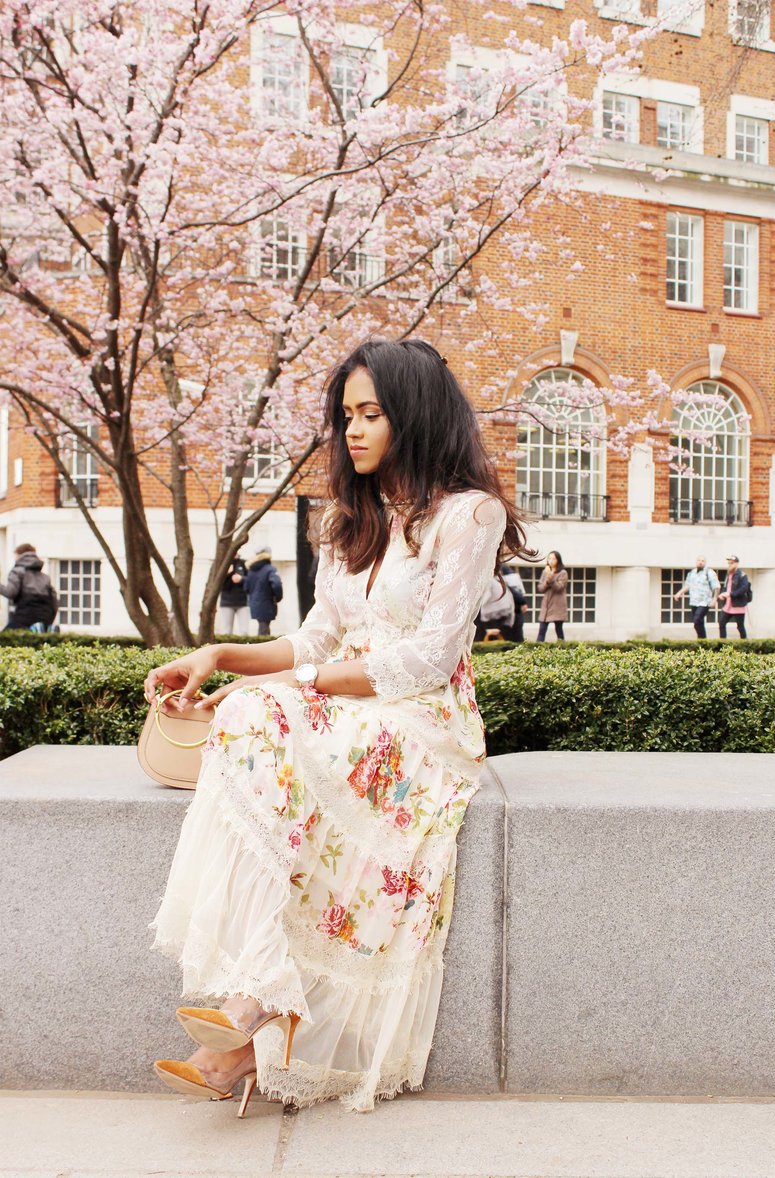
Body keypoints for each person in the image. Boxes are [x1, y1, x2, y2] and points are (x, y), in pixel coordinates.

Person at [144, 337, 526, 1113]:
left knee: (274, 720)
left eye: (371, 414)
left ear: (413, 415)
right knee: (254, 718)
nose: (352, 431)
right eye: (346, 415)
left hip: (423, 722)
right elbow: (313, 638)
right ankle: (251, 1025)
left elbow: (427, 657)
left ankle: (252, 1012)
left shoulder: (469, 515)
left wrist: (301, 684)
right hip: (347, 707)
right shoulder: (349, 521)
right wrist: (220, 654)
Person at [0, 543, 58, 632]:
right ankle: (43, 629)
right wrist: (49, 620)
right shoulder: (45, 577)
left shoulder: (17, 572)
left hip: (25, 614)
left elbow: (10, 592)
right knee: (37, 641)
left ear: (19, 556)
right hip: (45, 615)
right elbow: (54, 602)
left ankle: (35, 629)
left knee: (6, 637)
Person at [673, 555, 720, 639]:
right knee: (699, 623)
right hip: (694, 602)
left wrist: (715, 599)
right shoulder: (692, 573)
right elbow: (687, 586)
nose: (700, 562)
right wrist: (679, 593)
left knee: (697, 620)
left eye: (702, 561)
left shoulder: (709, 572)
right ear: (696, 562)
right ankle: (702, 641)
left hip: (704, 602)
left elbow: (716, 587)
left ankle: (702, 640)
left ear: (705, 563)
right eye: (699, 560)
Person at [243, 547, 283, 636]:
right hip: (267, 603)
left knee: (262, 626)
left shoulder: (251, 570)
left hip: (254, 603)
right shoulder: (270, 569)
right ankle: (262, 648)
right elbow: (277, 584)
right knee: (264, 630)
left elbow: (246, 588)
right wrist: (278, 597)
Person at [475, 563, 518, 641]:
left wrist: (478, 604)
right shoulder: (499, 581)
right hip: (503, 611)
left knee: (487, 633)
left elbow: (487, 595)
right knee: (499, 634)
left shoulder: (491, 581)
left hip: (493, 612)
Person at [537, 551, 568, 642]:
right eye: (549, 558)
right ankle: (537, 650)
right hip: (546, 605)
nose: (551, 560)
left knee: (559, 630)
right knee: (542, 630)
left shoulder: (563, 573)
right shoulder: (545, 572)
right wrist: (547, 580)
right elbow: (540, 588)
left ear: (558, 560)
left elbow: (559, 588)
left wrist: (551, 578)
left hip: (557, 606)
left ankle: (562, 650)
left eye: (554, 558)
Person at [719, 555, 752, 638]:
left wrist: (730, 594)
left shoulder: (742, 575)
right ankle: (722, 645)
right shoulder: (728, 575)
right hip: (727, 605)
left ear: (737, 564)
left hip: (738, 605)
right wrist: (723, 594)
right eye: (729, 563)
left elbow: (744, 589)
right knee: (721, 623)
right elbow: (726, 587)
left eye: (732, 563)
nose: (730, 565)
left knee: (740, 626)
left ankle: (744, 645)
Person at [217, 555, 249, 635]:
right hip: (226, 603)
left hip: (242, 603)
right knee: (226, 631)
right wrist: (227, 574)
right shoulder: (222, 563)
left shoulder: (243, 563)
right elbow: (218, 585)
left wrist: (241, 579)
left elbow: (251, 580)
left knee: (244, 631)